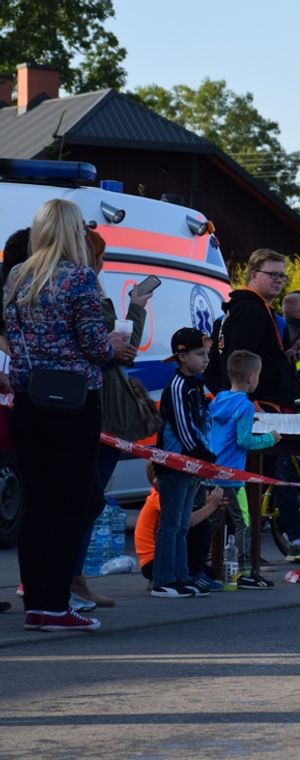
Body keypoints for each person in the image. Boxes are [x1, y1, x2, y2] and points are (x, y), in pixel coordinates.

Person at [3, 198, 132, 632]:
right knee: (71, 505)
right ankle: (57, 605)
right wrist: (113, 346)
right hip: (73, 405)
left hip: (27, 401)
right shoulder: (78, 279)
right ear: (73, 232)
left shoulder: (18, 276)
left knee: (37, 507)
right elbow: (95, 347)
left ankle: (37, 604)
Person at [73, 229, 155, 611]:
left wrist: (135, 306)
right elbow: (113, 351)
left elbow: (123, 349)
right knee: (83, 499)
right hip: (92, 410)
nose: (103, 263)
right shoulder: (82, 290)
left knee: (84, 499)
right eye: (100, 255)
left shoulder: (86, 291)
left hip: (93, 410)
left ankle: (67, 579)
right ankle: (66, 581)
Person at [210, 248, 300, 552]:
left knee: (245, 492)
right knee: (245, 493)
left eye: (281, 275)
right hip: (255, 411)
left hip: (251, 406)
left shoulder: (244, 308)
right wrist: (251, 404)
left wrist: (280, 359)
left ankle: (235, 559)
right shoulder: (250, 310)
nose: (279, 280)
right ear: (252, 275)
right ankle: (240, 561)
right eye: (272, 274)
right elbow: (238, 359)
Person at [152, 327, 216, 598]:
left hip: (192, 464)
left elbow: (203, 423)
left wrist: (205, 455)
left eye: (207, 354)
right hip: (176, 463)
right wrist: (201, 453)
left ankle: (180, 575)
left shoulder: (196, 384)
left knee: (181, 524)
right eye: (200, 354)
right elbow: (182, 426)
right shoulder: (178, 386)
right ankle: (163, 578)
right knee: (171, 523)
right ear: (181, 356)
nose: (206, 359)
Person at [208, 349, 281, 589]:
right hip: (233, 477)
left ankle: (206, 565)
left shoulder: (218, 399)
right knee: (244, 522)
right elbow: (244, 440)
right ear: (252, 377)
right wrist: (270, 438)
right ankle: (246, 572)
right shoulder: (246, 406)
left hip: (211, 471)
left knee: (212, 520)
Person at [136, 464, 226, 585]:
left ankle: (192, 572)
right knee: (200, 525)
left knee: (210, 573)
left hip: (159, 558)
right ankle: (190, 575)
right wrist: (211, 506)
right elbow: (188, 521)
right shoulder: (158, 497)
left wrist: (208, 505)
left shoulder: (162, 495)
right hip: (152, 561)